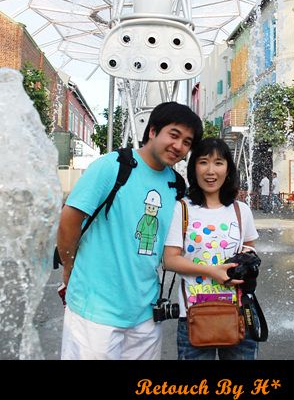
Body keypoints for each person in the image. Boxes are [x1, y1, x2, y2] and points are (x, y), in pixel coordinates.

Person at [57, 101, 203, 360]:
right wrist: (69, 267)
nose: (179, 146)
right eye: (174, 135)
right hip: (95, 312)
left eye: (187, 142)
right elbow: (70, 219)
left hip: (145, 315)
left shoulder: (176, 185)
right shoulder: (113, 166)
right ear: (153, 131)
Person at [164, 137, 260, 360]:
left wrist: (247, 263)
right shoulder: (182, 209)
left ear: (228, 169)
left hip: (239, 312)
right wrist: (212, 271)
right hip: (194, 314)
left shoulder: (241, 210)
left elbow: (249, 250)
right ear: (194, 168)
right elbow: (170, 259)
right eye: (203, 162)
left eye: (218, 163)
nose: (210, 171)